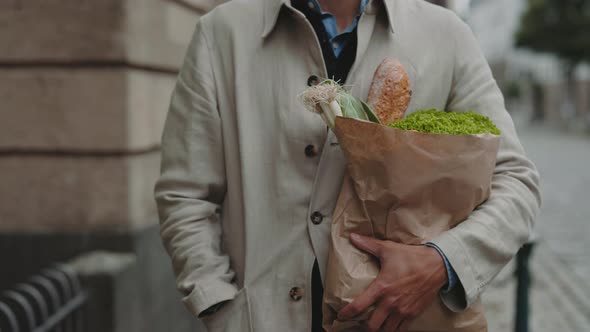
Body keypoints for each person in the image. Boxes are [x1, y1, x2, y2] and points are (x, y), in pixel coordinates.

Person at [153, 0, 541, 331]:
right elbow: (185, 194)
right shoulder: (222, 35)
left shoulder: (447, 37)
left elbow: (515, 182)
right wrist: (219, 305)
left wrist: (443, 262)